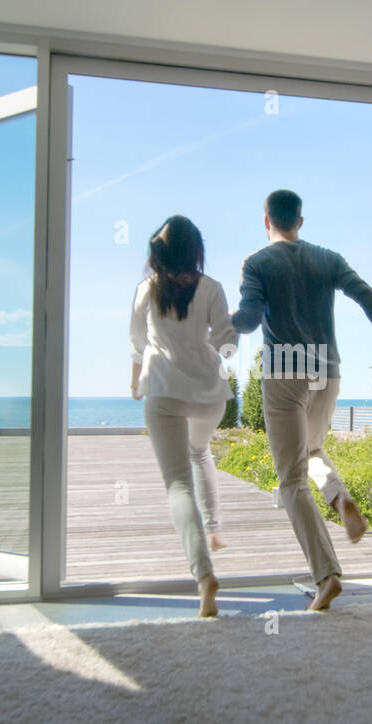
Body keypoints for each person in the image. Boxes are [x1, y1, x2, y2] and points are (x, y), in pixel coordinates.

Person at [232, 189, 372, 611]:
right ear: (300, 220)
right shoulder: (327, 258)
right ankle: (339, 497)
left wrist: (215, 326)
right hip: (327, 372)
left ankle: (326, 574)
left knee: (291, 479)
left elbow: (248, 319)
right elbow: (367, 297)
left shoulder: (256, 263)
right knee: (313, 449)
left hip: (283, 373)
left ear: (266, 221)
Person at [130, 215, 237, 618]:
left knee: (177, 485)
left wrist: (135, 382)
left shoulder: (146, 290)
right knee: (200, 452)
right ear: (197, 251)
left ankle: (204, 574)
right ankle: (214, 530)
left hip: (164, 391)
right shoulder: (212, 288)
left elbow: (138, 344)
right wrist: (217, 357)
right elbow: (227, 341)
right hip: (210, 395)